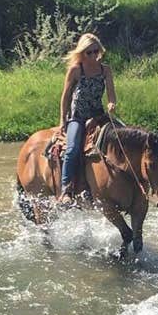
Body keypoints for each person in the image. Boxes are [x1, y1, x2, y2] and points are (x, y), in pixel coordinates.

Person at [58, 32, 117, 205]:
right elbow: (66, 96)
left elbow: (111, 95)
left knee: (122, 139)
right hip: (78, 116)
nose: (92, 55)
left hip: (98, 115)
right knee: (73, 149)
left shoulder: (105, 70)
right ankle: (66, 189)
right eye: (88, 52)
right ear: (82, 52)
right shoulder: (76, 70)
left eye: (95, 51)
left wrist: (111, 104)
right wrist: (63, 120)